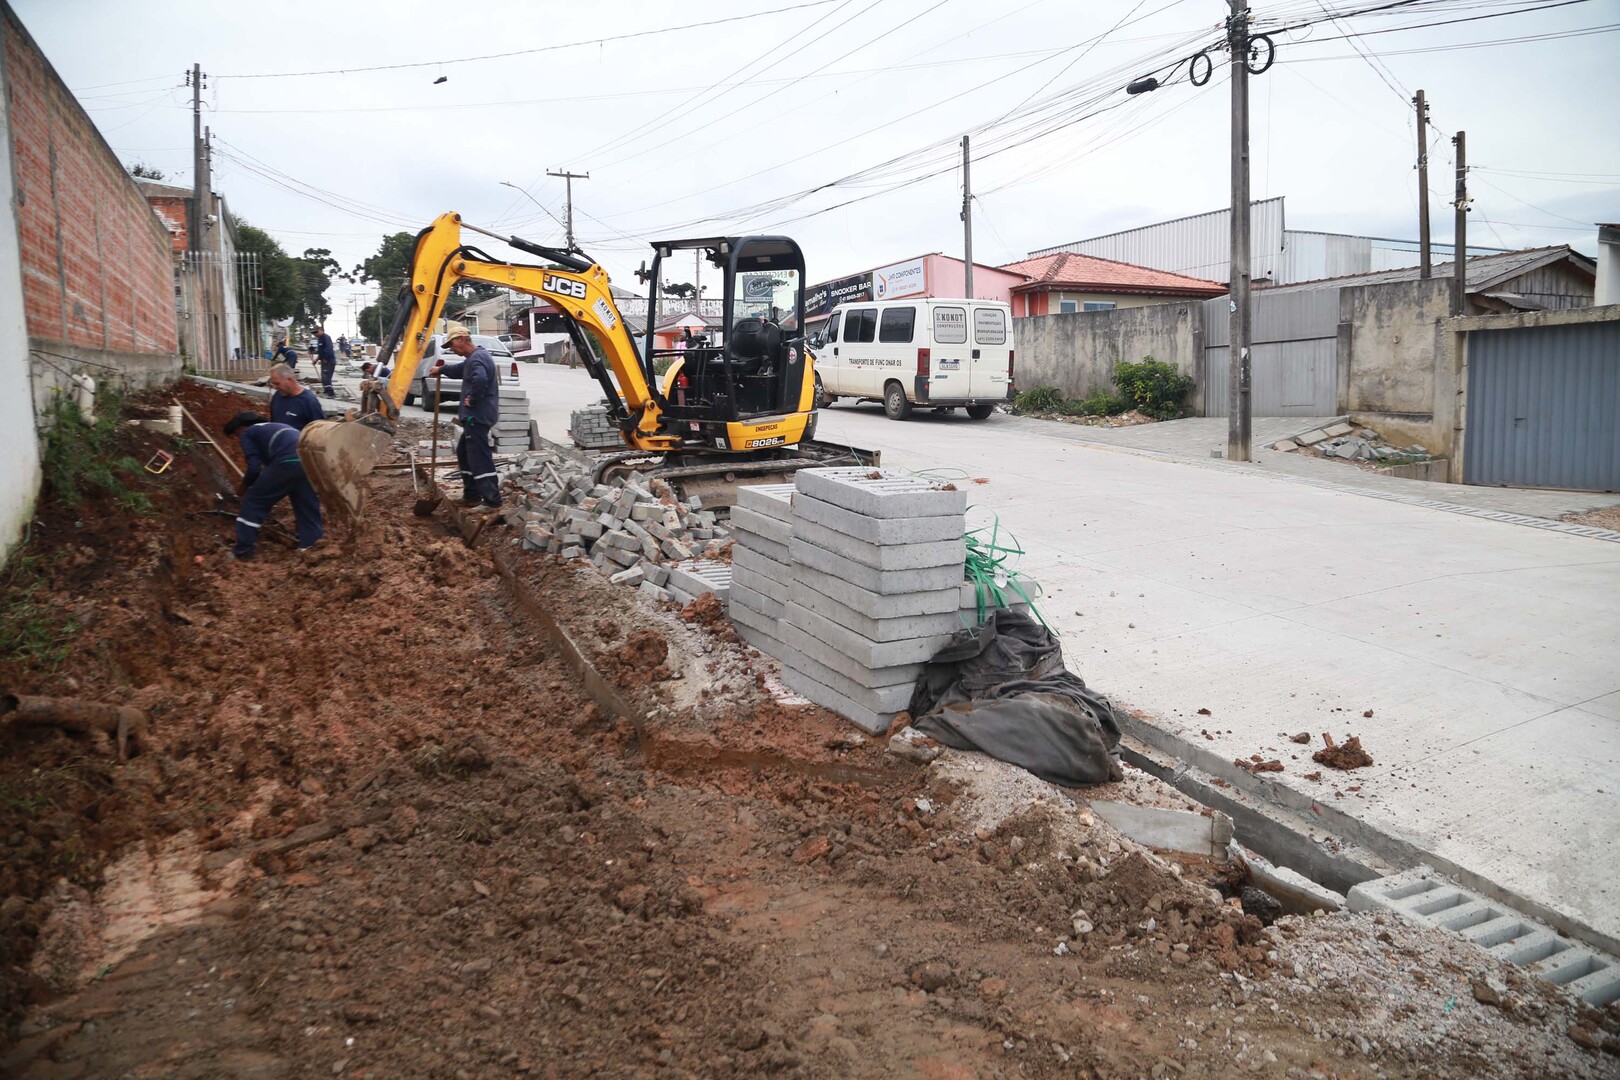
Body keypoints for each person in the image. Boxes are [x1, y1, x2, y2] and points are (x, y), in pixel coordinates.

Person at [222, 412, 322, 560]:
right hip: (310, 462)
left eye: (236, 435)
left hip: (287, 462)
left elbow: (254, 468)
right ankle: (311, 548)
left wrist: (245, 486)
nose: (238, 439)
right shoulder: (276, 427)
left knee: (253, 502)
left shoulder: (248, 432)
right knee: (306, 505)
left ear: (241, 428)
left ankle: (243, 552)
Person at [430, 324, 501, 508]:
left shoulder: (477, 359)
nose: (451, 349)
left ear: (462, 339)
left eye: (452, 344)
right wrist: (442, 370)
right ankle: (472, 494)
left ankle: (492, 500)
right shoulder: (474, 357)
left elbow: (481, 379)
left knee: (479, 457)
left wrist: (472, 399)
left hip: (476, 416)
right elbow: (460, 370)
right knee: (464, 452)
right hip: (476, 416)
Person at [267, 363, 325, 430]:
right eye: (273, 384)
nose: (275, 387)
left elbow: (320, 431)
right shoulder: (277, 396)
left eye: (277, 383)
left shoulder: (309, 401)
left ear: (290, 380)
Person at [315, 326, 337, 396]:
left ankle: (330, 393)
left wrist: (325, 358)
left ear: (321, 330)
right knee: (323, 377)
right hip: (324, 361)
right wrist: (316, 360)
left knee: (326, 377)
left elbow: (328, 349)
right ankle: (326, 390)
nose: (315, 334)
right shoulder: (319, 339)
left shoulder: (326, 337)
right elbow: (321, 352)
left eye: (316, 332)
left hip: (329, 361)